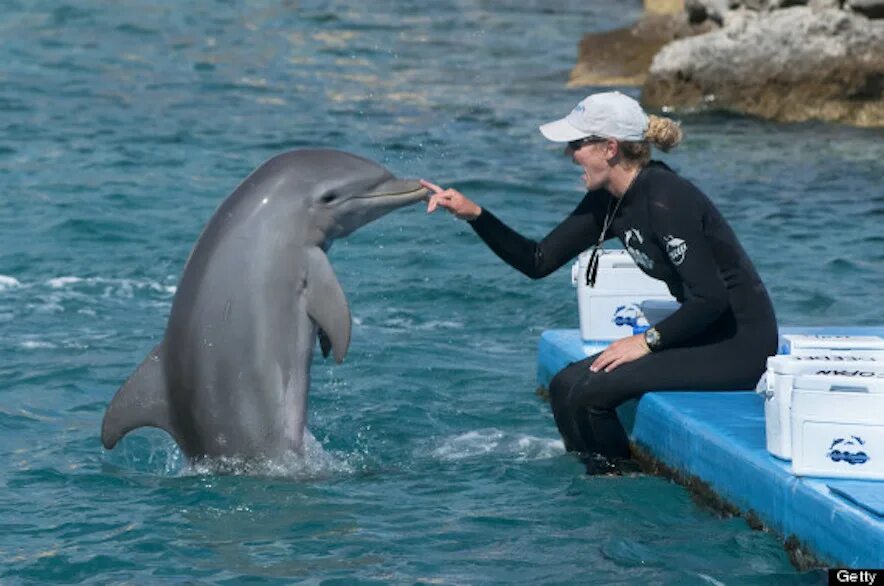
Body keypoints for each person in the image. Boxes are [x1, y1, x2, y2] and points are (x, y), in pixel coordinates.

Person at [421, 91, 778, 474]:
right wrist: (475, 214)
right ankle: (591, 480)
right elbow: (537, 261)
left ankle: (617, 484)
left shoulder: (666, 199)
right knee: (563, 386)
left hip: (738, 344)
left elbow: (711, 300)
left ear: (610, 148)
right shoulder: (607, 200)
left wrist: (645, 341)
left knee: (593, 395)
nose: (569, 154)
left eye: (577, 144)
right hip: (699, 333)